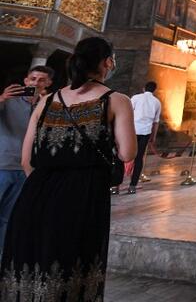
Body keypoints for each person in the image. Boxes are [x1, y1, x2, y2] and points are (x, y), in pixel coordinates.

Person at [1, 36, 136, 300]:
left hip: (37, 191)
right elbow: (127, 153)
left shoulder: (46, 100)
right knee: (71, 264)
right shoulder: (116, 100)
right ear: (108, 63)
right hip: (84, 194)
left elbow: (26, 159)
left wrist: (43, 185)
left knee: (32, 263)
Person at [0, 65, 53, 255]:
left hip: (27, 169)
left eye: (41, 80)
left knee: (8, 217)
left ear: (48, 83)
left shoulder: (48, 106)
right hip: (3, 166)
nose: (35, 83)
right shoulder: (9, 101)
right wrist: (1, 99)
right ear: (25, 80)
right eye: (33, 79)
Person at [126, 81, 161, 195]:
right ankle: (133, 186)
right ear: (154, 90)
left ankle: (115, 185)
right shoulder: (157, 102)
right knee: (139, 157)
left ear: (143, 88)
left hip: (132, 130)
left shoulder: (135, 98)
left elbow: (127, 113)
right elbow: (156, 122)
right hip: (146, 132)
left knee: (123, 155)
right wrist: (153, 136)